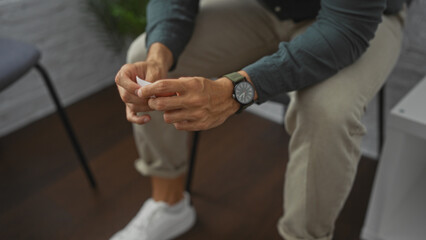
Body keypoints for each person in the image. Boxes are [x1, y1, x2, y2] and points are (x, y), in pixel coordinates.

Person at [111, 0, 407, 239]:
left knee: (327, 111)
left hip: (357, 20)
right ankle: (169, 205)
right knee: (144, 55)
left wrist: (233, 93)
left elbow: (345, 29)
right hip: (266, 8)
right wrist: (157, 57)